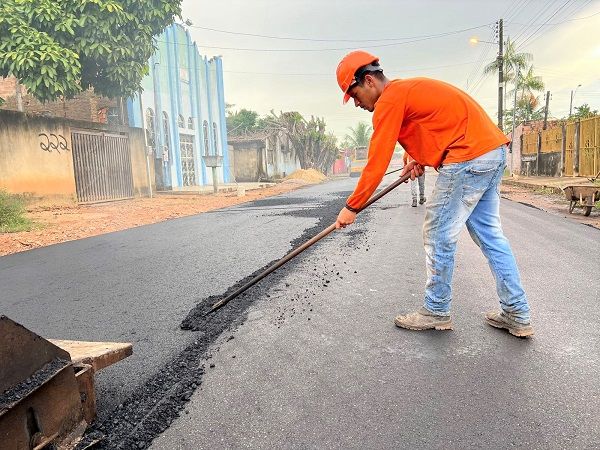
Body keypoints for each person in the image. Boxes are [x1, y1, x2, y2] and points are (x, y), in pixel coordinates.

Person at [334, 50, 533, 337]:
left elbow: (377, 160)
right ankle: (517, 312)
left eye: (354, 95)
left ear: (368, 81)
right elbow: (433, 127)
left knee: (438, 233)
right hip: (492, 152)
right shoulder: (405, 90)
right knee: (490, 236)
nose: (356, 104)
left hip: (468, 157)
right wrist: (416, 159)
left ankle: (436, 310)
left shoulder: (389, 100)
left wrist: (352, 206)